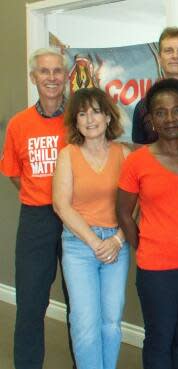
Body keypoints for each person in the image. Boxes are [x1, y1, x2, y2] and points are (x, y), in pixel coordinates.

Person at [117, 79, 178, 369]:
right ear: (151, 118)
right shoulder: (137, 161)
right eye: (161, 112)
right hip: (156, 270)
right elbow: (123, 214)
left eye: (177, 110)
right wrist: (143, 246)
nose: (170, 118)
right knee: (159, 338)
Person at [0, 47, 77, 369]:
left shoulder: (79, 120)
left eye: (57, 71)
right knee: (31, 304)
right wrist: (41, 195)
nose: (51, 77)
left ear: (66, 77)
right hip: (36, 220)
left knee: (80, 304)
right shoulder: (18, 124)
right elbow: (15, 173)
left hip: (76, 219)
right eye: (44, 72)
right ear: (34, 77)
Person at [52, 87, 130, 369]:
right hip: (79, 246)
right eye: (82, 114)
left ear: (109, 117)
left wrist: (118, 240)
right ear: (76, 122)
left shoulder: (124, 154)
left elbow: (136, 205)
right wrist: (95, 243)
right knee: (85, 323)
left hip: (116, 247)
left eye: (96, 111)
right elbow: (62, 205)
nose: (89, 119)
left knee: (111, 322)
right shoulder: (68, 155)